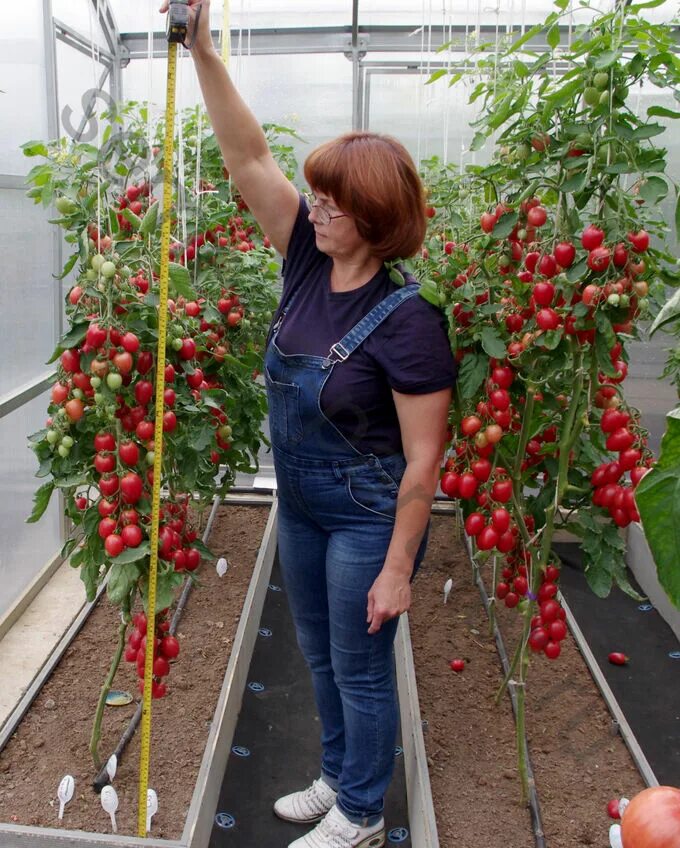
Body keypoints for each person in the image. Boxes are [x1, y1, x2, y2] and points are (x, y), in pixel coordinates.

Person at [160, 3, 457, 846]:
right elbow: (245, 154)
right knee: (320, 654)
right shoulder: (302, 259)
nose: (315, 208)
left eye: (332, 201)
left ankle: (362, 813)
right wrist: (206, 52)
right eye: (315, 195)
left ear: (375, 217)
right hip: (301, 502)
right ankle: (337, 775)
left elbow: (423, 465)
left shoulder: (408, 319)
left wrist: (400, 568)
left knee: (363, 670)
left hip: (368, 514)